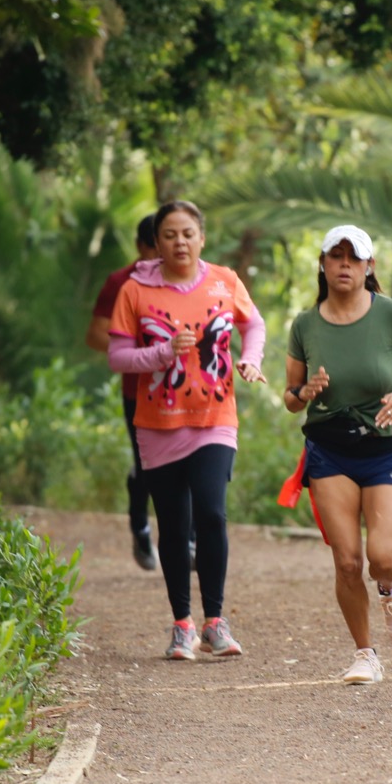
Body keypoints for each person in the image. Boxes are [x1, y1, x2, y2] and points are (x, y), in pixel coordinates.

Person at [107, 200, 268, 661]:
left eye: (188, 233)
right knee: (174, 525)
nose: (180, 241)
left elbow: (252, 324)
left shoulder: (224, 281)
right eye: (170, 234)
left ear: (202, 237)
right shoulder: (135, 290)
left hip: (215, 420)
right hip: (157, 425)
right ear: (156, 243)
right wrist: (160, 355)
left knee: (212, 514)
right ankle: (182, 625)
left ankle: (215, 622)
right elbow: (117, 357)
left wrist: (250, 359)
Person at [283, 224, 392, 685]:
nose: (345, 264)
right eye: (337, 256)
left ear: (369, 266)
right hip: (329, 448)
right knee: (348, 561)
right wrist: (304, 391)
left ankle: (391, 587)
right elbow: (290, 397)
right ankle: (365, 654)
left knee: (382, 556)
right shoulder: (305, 325)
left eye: (355, 257)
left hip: (385, 446)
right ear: (323, 264)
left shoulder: (391, 314)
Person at [86, 214, 160, 571]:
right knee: (147, 466)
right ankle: (141, 526)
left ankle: (189, 538)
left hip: (189, 392)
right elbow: (96, 335)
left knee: (191, 463)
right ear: (141, 247)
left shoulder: (195, 279)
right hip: (138, 391)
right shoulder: (120, 282)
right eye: (154, 249)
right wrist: (140, 353)